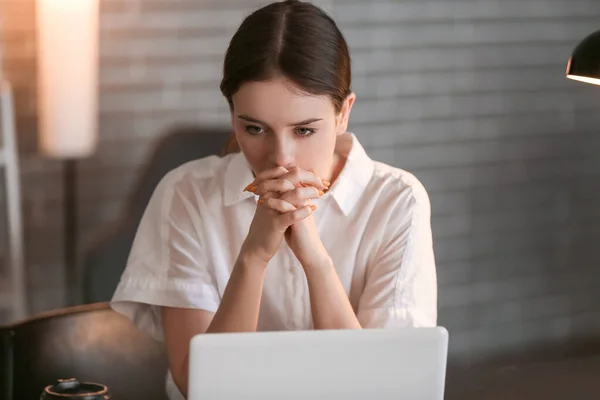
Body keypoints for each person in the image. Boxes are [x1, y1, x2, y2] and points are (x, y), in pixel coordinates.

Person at [110, 1, 437, 399]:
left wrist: (315, 260)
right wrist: (254, 256)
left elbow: (382, 389)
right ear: (233, 117)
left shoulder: (397, 201)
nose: (280, 157)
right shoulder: (187, 195)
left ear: (342, 113)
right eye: (255, 128)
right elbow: (199, 386)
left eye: (304, 130)